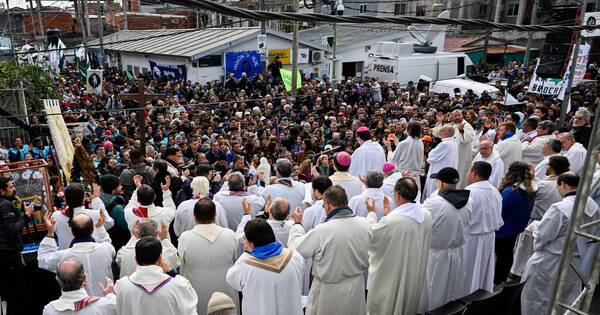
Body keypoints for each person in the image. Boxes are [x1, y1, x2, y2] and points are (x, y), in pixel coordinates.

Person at [521, 172, 599, 315]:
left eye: (558, 186)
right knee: (566, 299)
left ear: (563, 184)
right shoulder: (592, 205)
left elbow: (543, 236)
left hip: (550, 262)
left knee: (539, 299)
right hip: (576, 263)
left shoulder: (560, 208)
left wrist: (535, 230)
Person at [288, 185, 371, 315]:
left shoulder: (323, 230)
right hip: (356, 287)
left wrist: (297, 224)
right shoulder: (365, 224)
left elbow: (297, 248)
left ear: (327, 204)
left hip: (330, 292)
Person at [365, 177, 432, 315]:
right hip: (413, 271)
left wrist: (371, 213)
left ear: (397, 195)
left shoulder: (392, 221)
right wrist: (389, 214)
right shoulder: (425, 214)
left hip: (393, 274)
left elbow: (371, 236)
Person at [226, 219, 304, 315]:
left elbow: (231, 279)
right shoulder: (295, 256)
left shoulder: (244, 266)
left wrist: (247, 253)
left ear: (250, 244)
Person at [419, 167, 470, 313]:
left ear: (440, 184)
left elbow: (421, 223)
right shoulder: (468, 200)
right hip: (457, 252)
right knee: (451, 288)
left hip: (436, 255)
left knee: (434, 291)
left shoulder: (434, 203)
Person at [178, 198, 239, 315]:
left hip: (196, 292)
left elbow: (180, 264)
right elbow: (236, 260)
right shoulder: (229, 235)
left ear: (194, 215)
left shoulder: (185, 238)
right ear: (216, 215)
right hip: (226, 292)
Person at [510, 155, 568, 278]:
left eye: (548, 165)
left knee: (523, 256)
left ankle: (516, 277)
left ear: (552, 168)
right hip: (552, 226)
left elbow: (528, 189)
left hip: (535, 223)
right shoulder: (564, 184)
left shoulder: (542, 185)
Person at [115, 236, 198, 315]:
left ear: (136, 260)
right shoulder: (178, 286)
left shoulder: (121, 286)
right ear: (160, 259)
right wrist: (171, 272)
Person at [38, 213, 115, 297]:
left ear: (72, 232)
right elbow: (106, 242)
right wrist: (100, 228)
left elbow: (43, 259)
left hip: (79, 307)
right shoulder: (106, 249)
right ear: (93, 229)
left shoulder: (64, 257)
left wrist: (50, 233)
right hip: (105, 302)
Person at [495, 161, 538, 286]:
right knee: (506, 254)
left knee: (501, 256)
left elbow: (501, 210)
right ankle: (501, 279)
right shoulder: (529, 188)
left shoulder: (511, 192)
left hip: (503, 229)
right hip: (515, 227)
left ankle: (497, 281)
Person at [463, 162, 503, 294]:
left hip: (471, 238)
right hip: (489, 237)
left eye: (469, 171)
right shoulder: (495, 191)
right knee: (481, 271)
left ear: (474, 173)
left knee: (468, 272)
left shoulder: (469, 192)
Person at [0, 177, 35, 315]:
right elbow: (13, 230)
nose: (13, 189)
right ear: (1, 191)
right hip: (8, 255)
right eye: (9, 187)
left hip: (8, 253)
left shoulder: (6, 203)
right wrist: (26, 216)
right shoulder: (5, 205)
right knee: (16, 292)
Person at [42, 256, 116, 315]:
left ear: (57, 280)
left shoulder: (49, 311)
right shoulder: (105, 305)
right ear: (84, 278)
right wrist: (110, 295)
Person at [52, 183, 112, 250]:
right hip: (90, 254)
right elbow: (109, 223)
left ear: (65, 199)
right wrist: (96, 199)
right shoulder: (94, 215)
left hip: (66, 257)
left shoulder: (56, 216)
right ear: (83, 198)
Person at [424, 125, 458, 198]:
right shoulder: (454, 143)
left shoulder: (444, 144)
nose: (440, 132)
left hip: (439, 172)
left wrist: (431, 152)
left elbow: (431, 156)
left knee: (434, 194)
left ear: (446, 133)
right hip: (446, 171)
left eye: (442, 130)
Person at [97, 174, 129, 251]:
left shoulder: (98, 199)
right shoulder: (116, 208)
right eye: (119, 185)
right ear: (113, 190)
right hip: (118, 241)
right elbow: (126, 225)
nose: (121, 187)